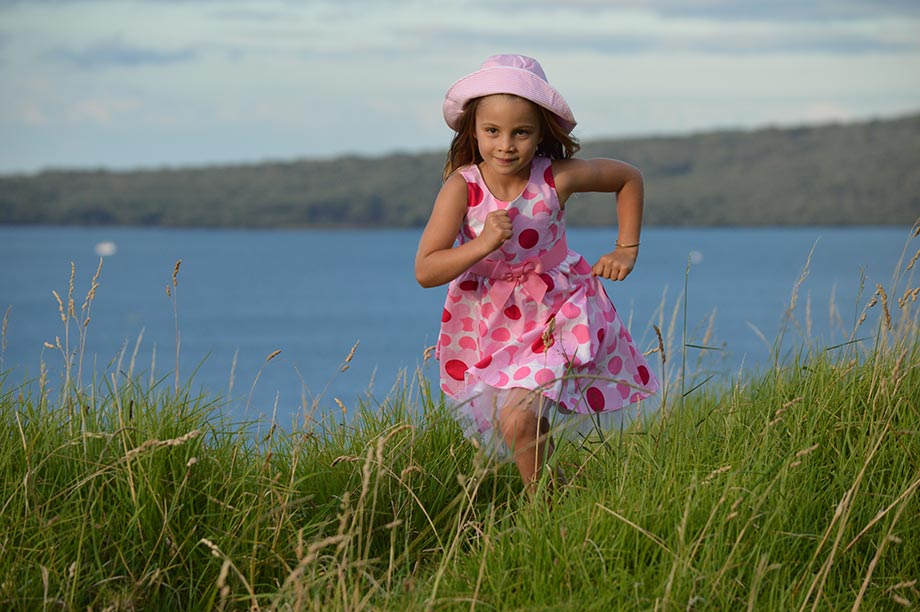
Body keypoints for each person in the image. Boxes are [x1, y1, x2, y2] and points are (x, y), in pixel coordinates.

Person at [415, 54, 659, 493]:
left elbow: (628, 178)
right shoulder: (462, 187)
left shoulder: (555, 178)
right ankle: (556, 496)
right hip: (488, 322)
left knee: (518, 418)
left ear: (541, 133)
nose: (506, 145)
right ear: (473, 131)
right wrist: (482, 244)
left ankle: (541, 510)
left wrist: (626, 249)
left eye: (521, 132)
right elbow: (426, 269)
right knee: (518, 424)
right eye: (492, 131)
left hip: (555, 313)